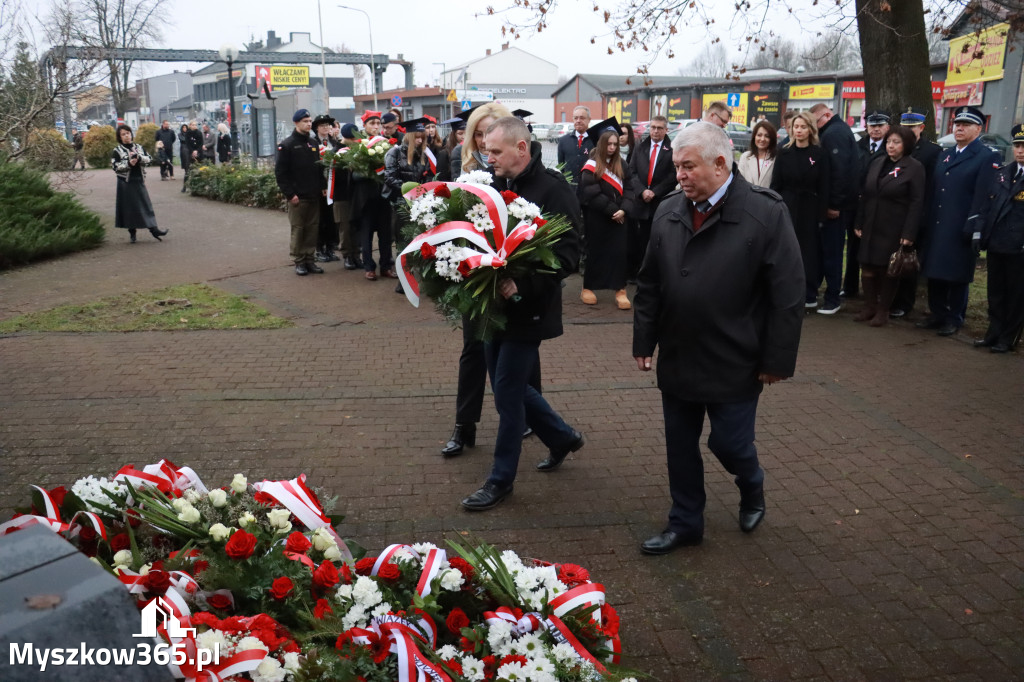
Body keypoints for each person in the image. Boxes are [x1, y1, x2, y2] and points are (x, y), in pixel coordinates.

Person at [633, 121, 804, 554]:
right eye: (677, 166)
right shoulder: (669, 210)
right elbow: (649, 283)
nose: (680, 176)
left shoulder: (765, 212)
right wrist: (643, 340)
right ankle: (685, 521)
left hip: (737, 355)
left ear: (721, 164)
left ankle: (752, 483)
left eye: (688, 167)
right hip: (680, 352)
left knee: (728, 443)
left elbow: (787, 293)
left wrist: (776, 360)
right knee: (680, 446)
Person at [460, 116, 582, 511]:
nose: (488, 157)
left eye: (495, 151)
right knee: (505, 382)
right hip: (494, 307)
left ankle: (500, 480)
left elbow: (567, 256)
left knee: (508, 393)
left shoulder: (553, 189)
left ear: (521, 149)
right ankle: (562, 436)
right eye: (486, 151)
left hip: (530, 309)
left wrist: (522, 285)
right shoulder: (495, 184)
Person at [918, 105, 1000, 337]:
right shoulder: (945, 154)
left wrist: (974, 225)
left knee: (957, 274)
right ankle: (937, 314)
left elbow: (984, 195)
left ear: (978, 128)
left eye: (965, 125)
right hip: (938, 222)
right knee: (934, 270)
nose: (959, 128)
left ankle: (954, 317)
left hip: (961, 224)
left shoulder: (986, 156)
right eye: (957, 124)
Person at [852, 125, 925, 326]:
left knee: (887, 269)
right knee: (866, 265)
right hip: (870, 223)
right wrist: (859, 220)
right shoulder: (877, 162)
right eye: (889, 141)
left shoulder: (914, 168)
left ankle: (883, 310)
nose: (891, 146)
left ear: (906, 145)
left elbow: (916, 202)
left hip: (893, 226)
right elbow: (865, 194)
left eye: (896, 142)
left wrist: (909, 233)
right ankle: (869, 306)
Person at [770, 111, 830, 310]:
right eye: (796, 127)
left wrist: (822, 214)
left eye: (803, 127)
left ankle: (809, 293)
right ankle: (785, 293)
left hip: (810, 209)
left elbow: (824, 186)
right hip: (788, 206)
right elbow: (776, 184)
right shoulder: (783, 152)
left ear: (810, 129)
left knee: (808, 253)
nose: (799, 130)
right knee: (787, 251)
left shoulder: (820, 154)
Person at [976, 124, 1024, 353]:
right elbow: (989, 205)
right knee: (995, 292)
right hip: (997, 243)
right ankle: (993, 333)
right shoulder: (1004, 173)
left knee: (1016, 295)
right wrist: (981, 233)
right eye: (1017, 145)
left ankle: (1008, 337)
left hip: (1019, 248)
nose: (1020, 150)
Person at [579, 117, 635, 310]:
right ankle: (589, 287)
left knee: (619, 253)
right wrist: (612, 210)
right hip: (598, 218)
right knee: (596, 252)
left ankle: (620, 290)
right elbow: (590, 192)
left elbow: (630, 188)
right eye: (609, 144)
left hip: (620, 218)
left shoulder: (623, 164)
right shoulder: (591, 165)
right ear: (602, 144)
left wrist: (624, 209)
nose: (612, 147)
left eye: (615, 144)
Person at [810, 102, 862, 312]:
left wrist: (834, 204)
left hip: (836, 207)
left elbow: (839, 173)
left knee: (831, 253)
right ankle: (827, 295)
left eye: (815, 123)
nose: (815, 128)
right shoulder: (840, 130)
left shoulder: (833, 134)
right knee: (828, 252)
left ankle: (832, 299)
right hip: (840, 203)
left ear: (827, 115)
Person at [891, 106, 941, 319]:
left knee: (909, 262)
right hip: (895, 212)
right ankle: (890, 299)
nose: (908, 131)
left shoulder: (932, 151)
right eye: (905, 127)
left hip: (917, 212)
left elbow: (931, 186)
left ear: (921, 128)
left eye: (912, 127)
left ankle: (905, 302)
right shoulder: (899, 148)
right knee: (893, 259)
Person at [384, 117, 433, 293]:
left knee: (417, 241)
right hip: (400, 204)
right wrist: (408, 190)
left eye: (423, 137)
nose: (420, 141)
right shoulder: (394, 153)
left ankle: (416, 277)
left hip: (418, 204)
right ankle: (404, 280)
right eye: (417, 137)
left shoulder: (423, 155)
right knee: (403, 242)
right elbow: (390, 177)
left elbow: (426, 176)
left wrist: (425, 188)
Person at [275, 109, 326, 276]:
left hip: (313, 194)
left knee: (312, 229)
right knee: (298, 229)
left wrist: (323, 186)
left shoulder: (313, 143)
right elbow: (281, 173)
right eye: (305, 121)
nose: (309, 124)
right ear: (296, 123)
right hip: (298, 197)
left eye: (310, 121)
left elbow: (318, 168)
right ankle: (299, 261)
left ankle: (309, 259)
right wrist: (290, 194)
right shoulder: (287, 145)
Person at [627, 115, 674, 280]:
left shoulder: (672, 149)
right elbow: (631, 172)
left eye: (659, 128)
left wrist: (655, 192)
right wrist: (642, 191)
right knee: (640, 240)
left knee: (659, 240)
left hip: (660, 203)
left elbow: (673, 176)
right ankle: (639, 272)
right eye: (653, 127)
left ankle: (656, 274)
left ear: (666, 130)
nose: (655, 131)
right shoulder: (640, 147)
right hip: (640, 202)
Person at [353, 110, 394, 281]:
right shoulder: (358, 145)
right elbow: (354, 175)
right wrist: (374, 172)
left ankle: (386, 266)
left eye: (378, 124)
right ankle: (369, 267)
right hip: (365, 198)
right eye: (372, 124)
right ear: (365, 126)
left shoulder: (387, 144)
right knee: (367, 234)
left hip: (383, 197)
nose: (376, 127)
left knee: (386, 234)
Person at [112, 124, 168, 244]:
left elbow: (149, 159)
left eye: (128, 133)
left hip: (138, 180)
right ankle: (132, 233)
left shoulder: (139, 147)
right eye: (123, 134)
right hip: (125, 183)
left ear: (131, 134)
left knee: (145, 205)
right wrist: (128, 163)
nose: (126, 136)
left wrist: (139, 158)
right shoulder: (117, 150)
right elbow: (115, 167)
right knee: (129, 208)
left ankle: (154, 229)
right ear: (120, 137)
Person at [312, 114, 340, 264]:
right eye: (322, 125)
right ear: (317, 127)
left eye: (328, 125)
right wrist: (322, 185)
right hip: (321, 188)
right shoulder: (312, 142)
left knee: (332, 219)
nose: (325, 128)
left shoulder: (334, 142)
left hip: (334, 186)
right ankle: (319, 249)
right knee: (321, 218)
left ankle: (330, 248)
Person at [336, 123, 362, 270]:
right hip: (342, 196)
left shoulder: (358, 151)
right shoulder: (337, 152)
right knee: (345, 228)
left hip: (355, 195)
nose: (354, 141)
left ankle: (356, 255)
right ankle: (347, 256)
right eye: (352, 138)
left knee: (356, 227)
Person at [556, 106, 594, 187]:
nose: (578, 121)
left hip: (589, 187)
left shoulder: (596, 140)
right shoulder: (563, 141)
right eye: (575, 118)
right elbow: (561, 165)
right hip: (570, 188)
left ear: (589, 119)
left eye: (582, 118)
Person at [737, 119, 778, 187]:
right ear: (754, 137)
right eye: (759, 135)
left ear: (772, 139)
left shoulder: (776, 158)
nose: (762, 139)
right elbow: (739, 182)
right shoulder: (745, 157)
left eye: (767, 136)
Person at [181, 121, 203, 193]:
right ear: (190, 126)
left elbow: (201, 143)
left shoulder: (199, 133)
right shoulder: (188, 134)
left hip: (198, 153)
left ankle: (199, 187)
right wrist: (192, 151)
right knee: (188, 170)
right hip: (190, 153)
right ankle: (185, 186)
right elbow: (188, 144)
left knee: (199, 170)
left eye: (195, 125)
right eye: (193, 125)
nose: (194, 126)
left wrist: (197, 150)